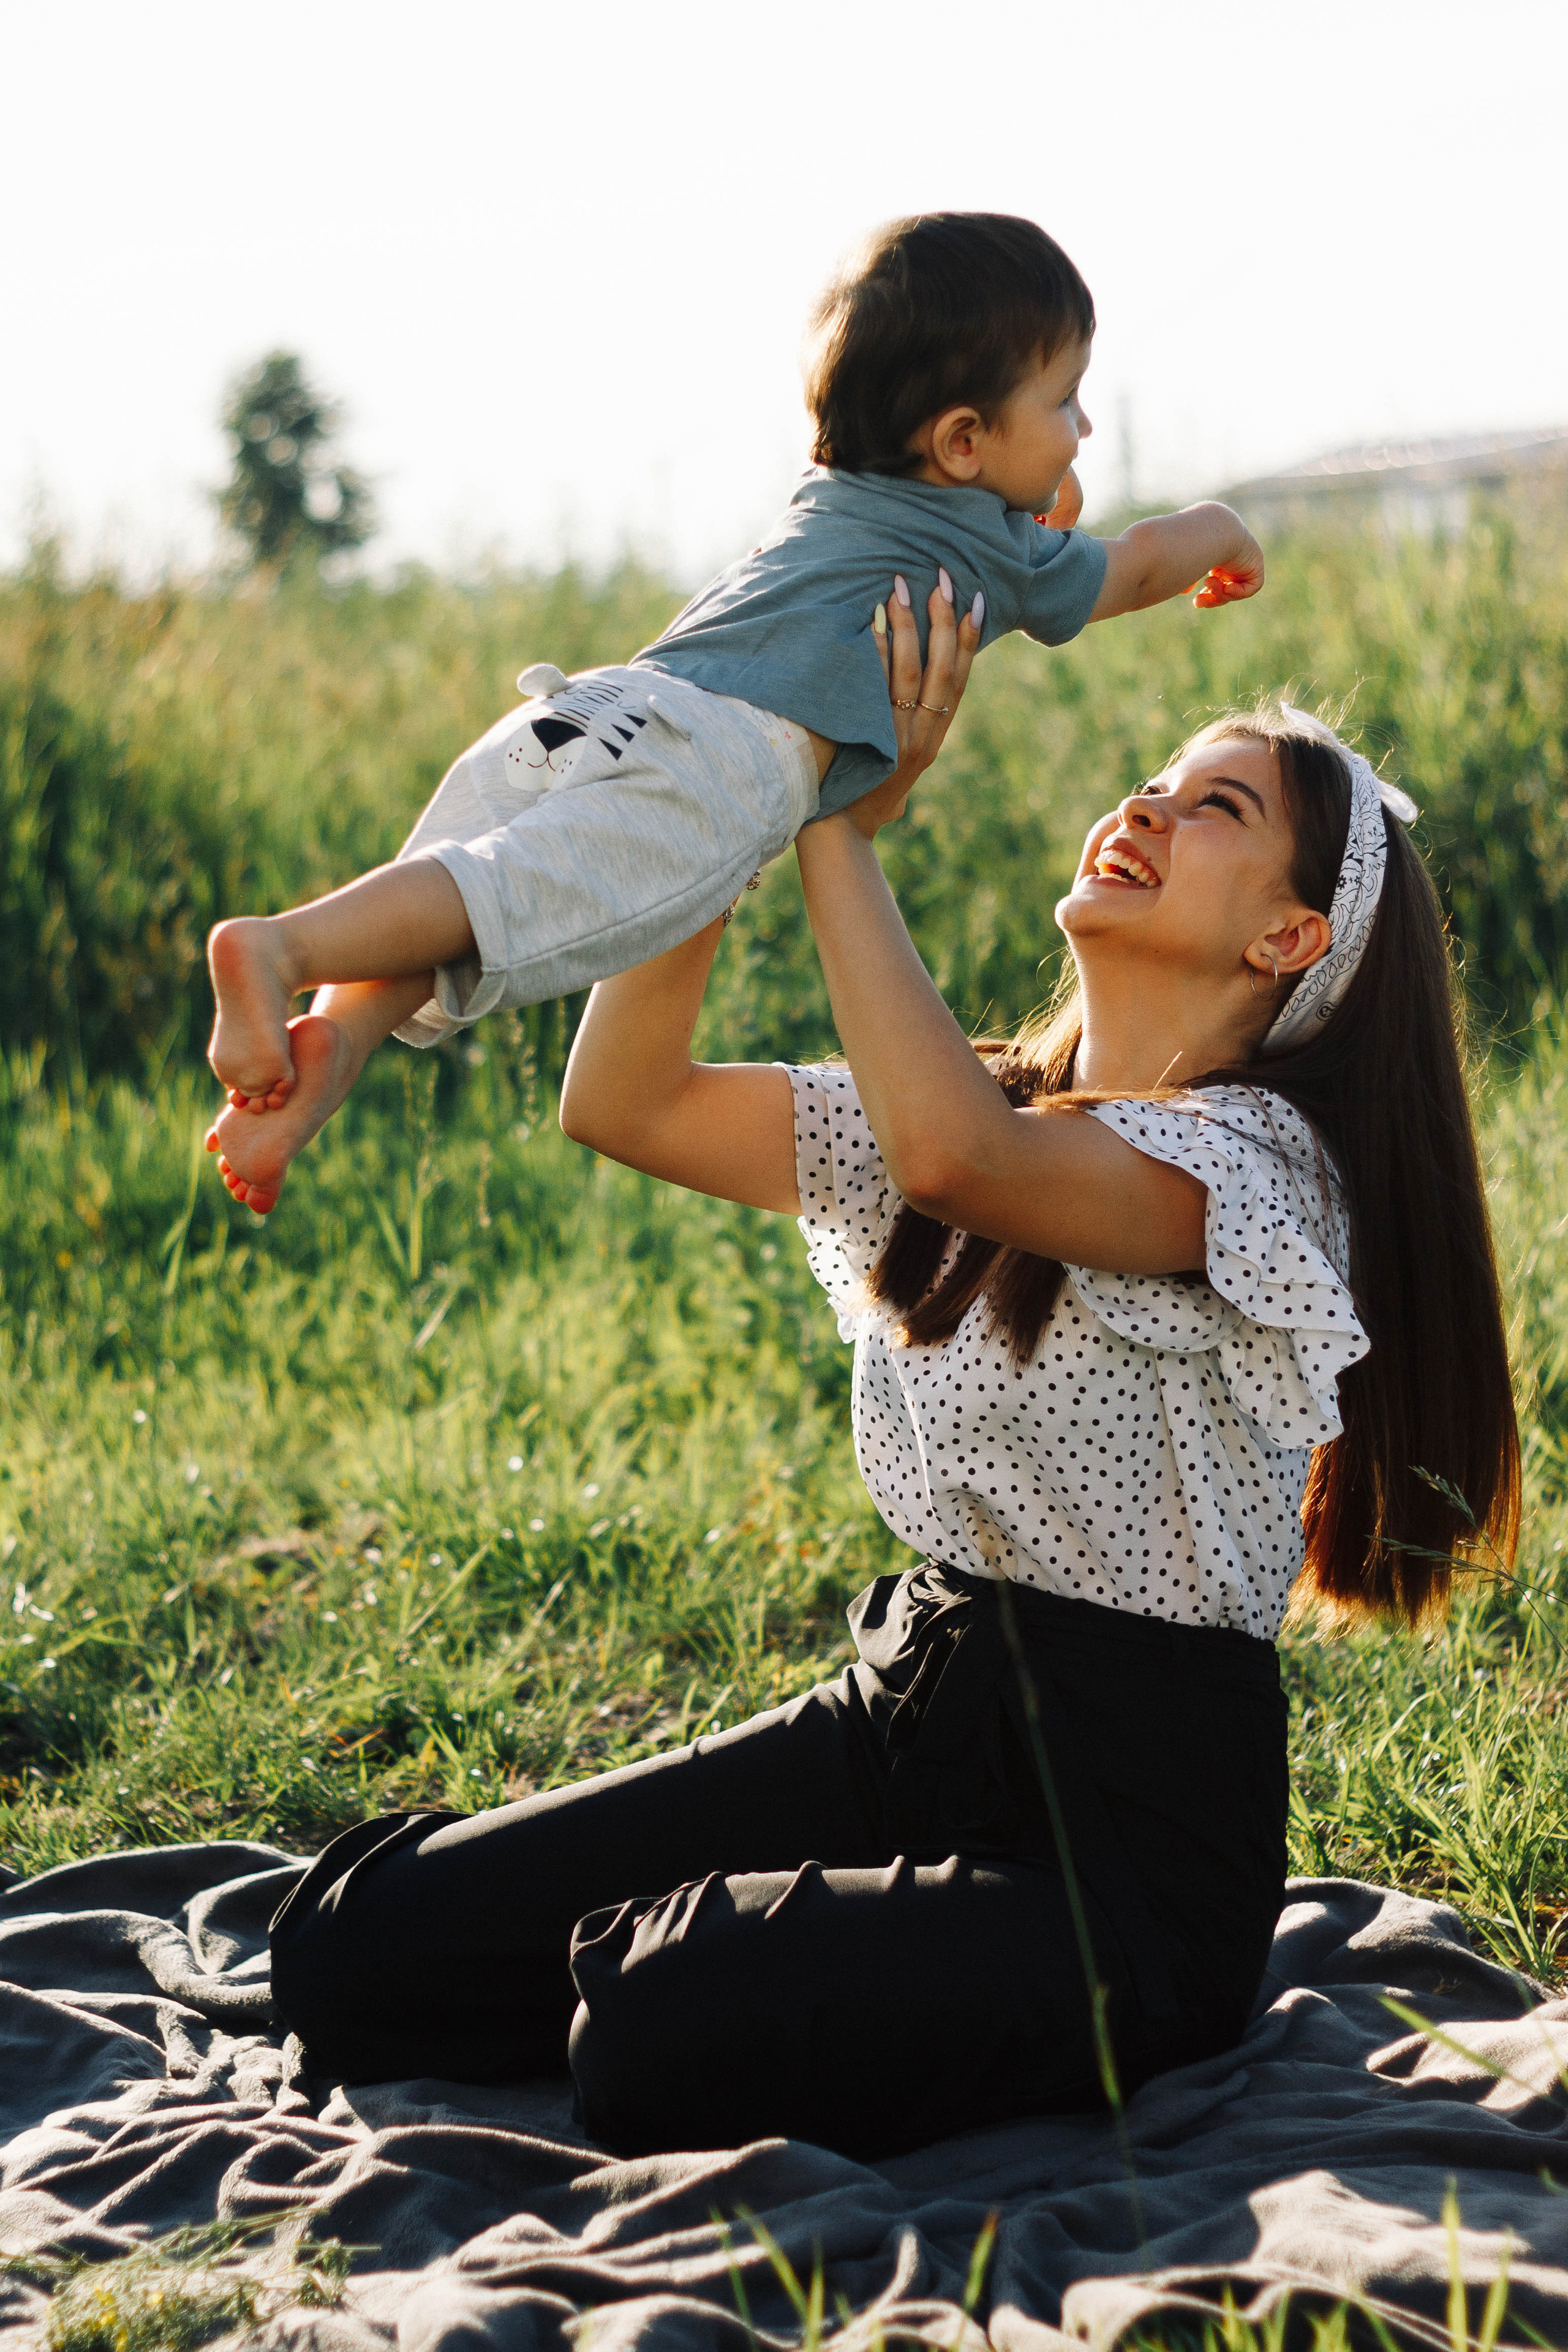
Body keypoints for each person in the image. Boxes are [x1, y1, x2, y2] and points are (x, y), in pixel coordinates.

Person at [268, 590, 1519, 2159]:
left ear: (1287, 938)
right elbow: (628, 1098)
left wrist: (837, 830)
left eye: (1216, 808)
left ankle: (746, 1965)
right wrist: (738, 787)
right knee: (353, 1952)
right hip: (901, 1717)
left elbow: (954, 1157)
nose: (1144, 803)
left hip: (1117, 1860)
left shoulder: (1259, 1174)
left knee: (656, 2019)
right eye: (1155, 774)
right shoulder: (989, 1099)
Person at [204, 212, 1264, 1214]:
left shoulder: (836, 493)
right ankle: (283, 949)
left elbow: (1012, 514)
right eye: (1066, 401)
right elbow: (1130, 568)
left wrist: (1029, 501)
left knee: (472, 890)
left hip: (605, 702)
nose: (1084, 428)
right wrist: (1219, 528)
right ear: (961, 443)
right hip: (721, 758)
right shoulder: (1001, 549)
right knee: (508, 898)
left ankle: (330, 1049)